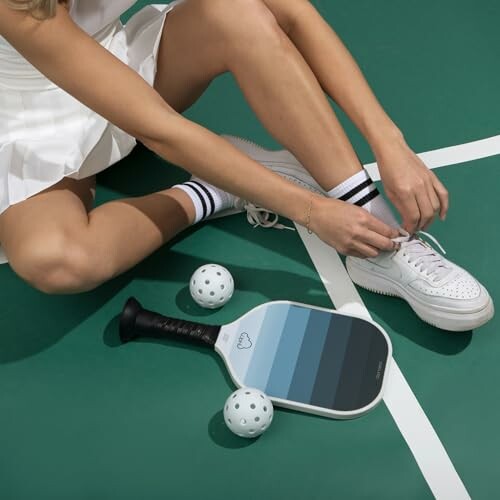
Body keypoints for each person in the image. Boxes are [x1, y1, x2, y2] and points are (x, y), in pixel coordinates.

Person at [0, 0, 493, 330]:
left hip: (114, 60)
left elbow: (291, 12)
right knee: (55, 258)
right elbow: (159, 129)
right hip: (22, 116)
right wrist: (308, 211)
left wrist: (389, 140)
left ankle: (378, 235)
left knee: (236, 11)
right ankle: (216, 191)